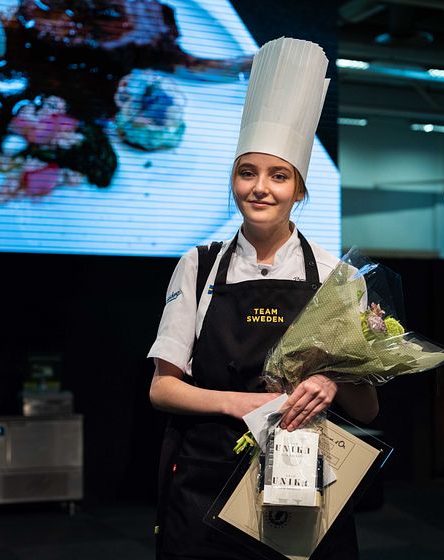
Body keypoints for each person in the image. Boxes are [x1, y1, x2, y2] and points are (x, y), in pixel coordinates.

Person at [147, 38, 379, 560]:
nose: (260, 188)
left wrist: (331, 381)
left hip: (303, 486)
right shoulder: (199, 265)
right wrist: (242, 404)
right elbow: (162, 391)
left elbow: (367, 406)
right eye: (246, 172)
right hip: (207, 484)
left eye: (279, 176)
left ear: (299, 189)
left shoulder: (339, 276)